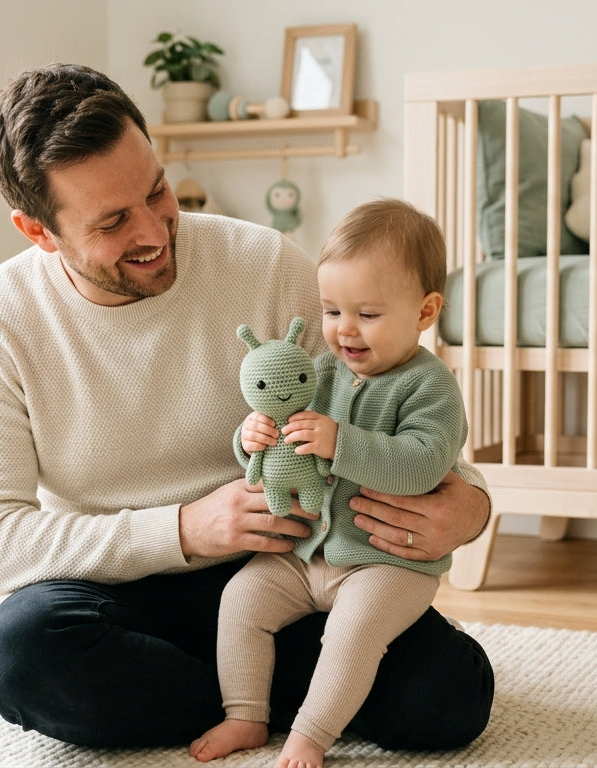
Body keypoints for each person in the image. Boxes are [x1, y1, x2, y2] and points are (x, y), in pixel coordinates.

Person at [0, 62, 495, 753]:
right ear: (38, 231)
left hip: (289, 567)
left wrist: (471, 506)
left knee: (448, 697)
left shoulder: (263, 263)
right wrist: (185, 529)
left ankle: (255, 696)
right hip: (116, 591)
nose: (153, 231)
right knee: (23, 656)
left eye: (157, 191)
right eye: (113, 221)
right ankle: (281, 698)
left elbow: (391, 411)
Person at [191, 199, 471, 768]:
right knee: (240, 599)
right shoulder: (317, 371)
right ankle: (245, 716)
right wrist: (250, 439)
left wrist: (340, 443)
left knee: (352, 633)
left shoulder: (430, 387)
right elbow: (274, 454)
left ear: (425, 311)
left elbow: (423, 465)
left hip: (386, 564)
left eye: (367, 313)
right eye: (330, 310)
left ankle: (309, 737)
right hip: (305, 550)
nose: (344, 330)